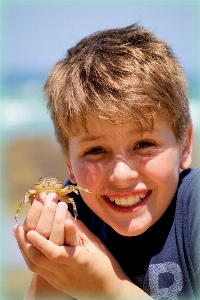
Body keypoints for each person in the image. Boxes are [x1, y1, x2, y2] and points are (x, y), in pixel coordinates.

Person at [13, 24, 200, 300]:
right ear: (69, 165)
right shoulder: (73, 213)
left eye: (144, 144)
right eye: (96, 151)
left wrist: (105, 286)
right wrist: (49, 268)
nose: (121, 174)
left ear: (185, 146)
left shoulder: (194, 207)